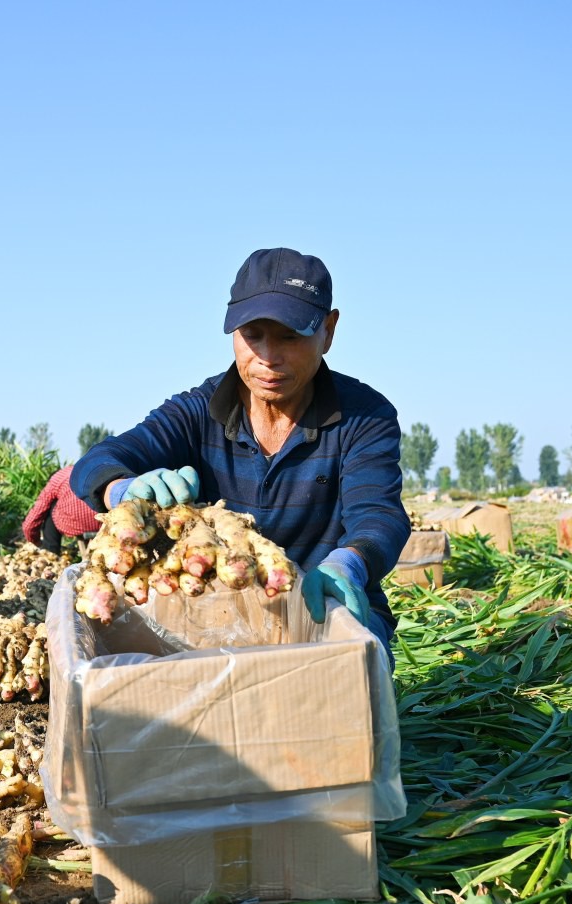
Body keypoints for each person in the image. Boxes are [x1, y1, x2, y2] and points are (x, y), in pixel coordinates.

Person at [70, 247, 409, 649]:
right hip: (217, 619)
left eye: (291, 336)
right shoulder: (198, 411)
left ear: (329, 331)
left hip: (329, 609)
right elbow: (97, 463)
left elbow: (378, 515)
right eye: (253, 336)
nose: (268, 359)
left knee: (352, 674)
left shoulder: (365, 417)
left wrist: (350, 562)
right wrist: (121, 490)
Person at [21, 463, 99, 553]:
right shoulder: (88, 470)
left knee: (50, 506)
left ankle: (51, 550)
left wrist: (34, 540)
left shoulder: (56, 478)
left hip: (76, 524)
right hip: (102, 521)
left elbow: (37, 512)